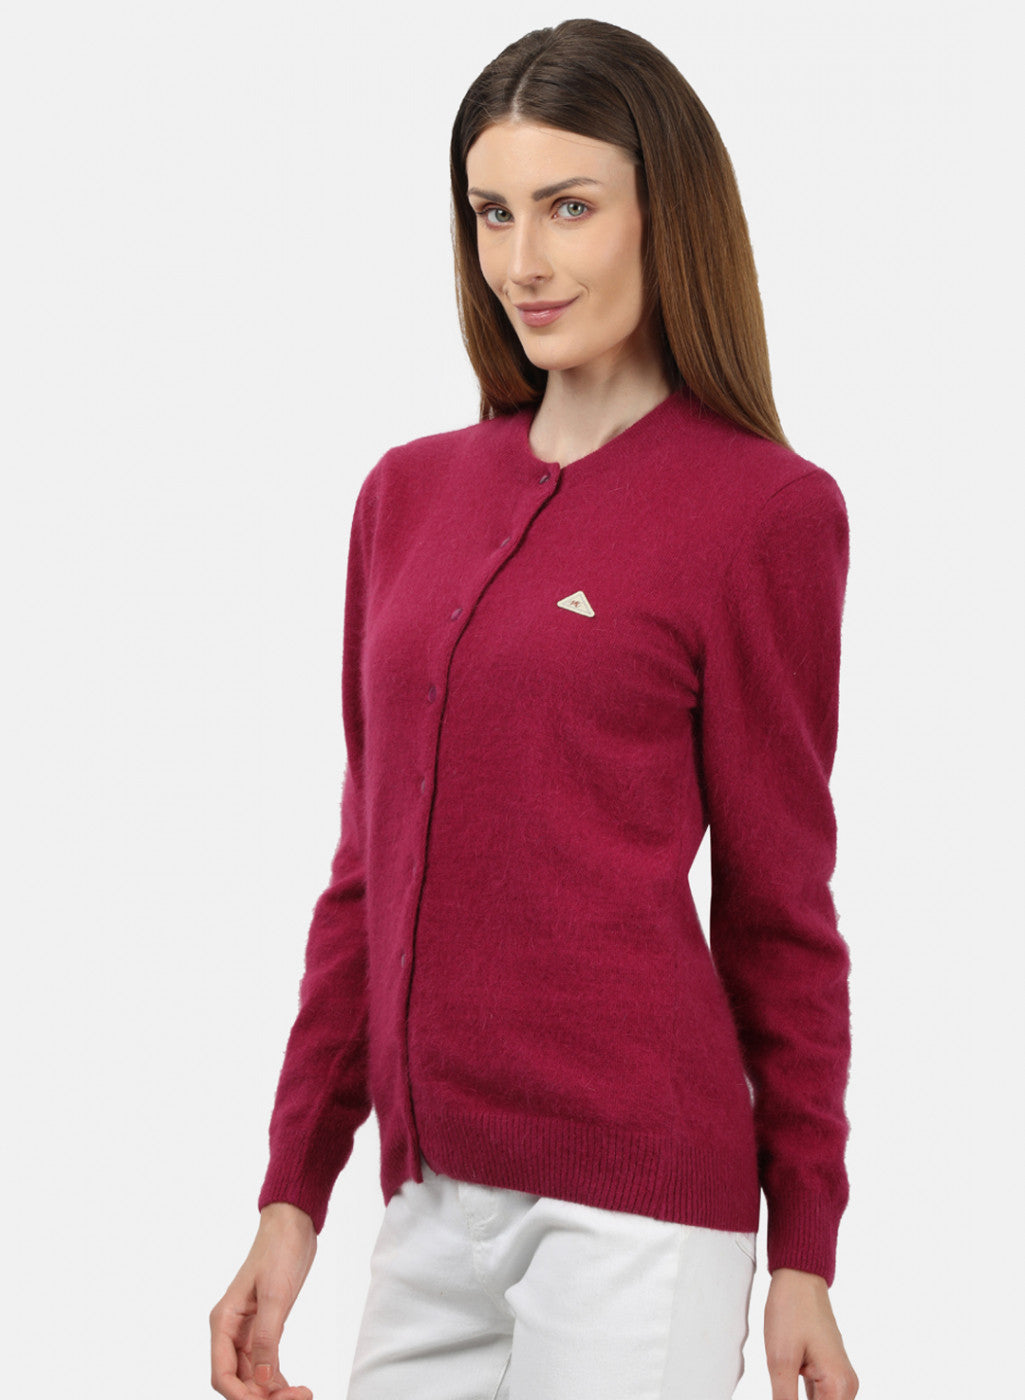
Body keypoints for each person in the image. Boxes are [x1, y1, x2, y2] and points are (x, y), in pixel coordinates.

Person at [210, 18, 860, 1400]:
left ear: (665, 214)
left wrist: (803, 1246)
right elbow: (368, 875)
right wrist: (292, 1192)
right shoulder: (405, 495)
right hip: (428, 1198)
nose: (522, 262)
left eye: (568, 207)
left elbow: (780, 905)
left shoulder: (763, 512)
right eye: (492, 212)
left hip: (638, 1211)